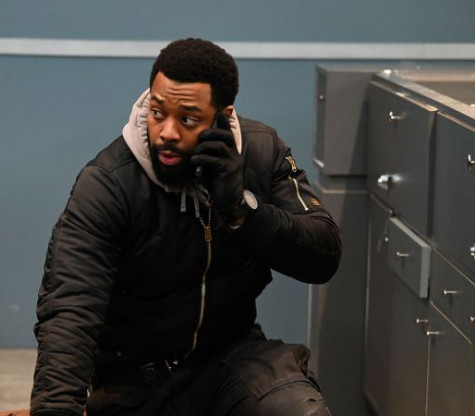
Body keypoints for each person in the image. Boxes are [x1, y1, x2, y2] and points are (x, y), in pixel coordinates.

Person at [30, 38, 341, 416]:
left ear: (223, 117)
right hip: (135, 380)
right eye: (157, 112)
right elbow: (70, 310)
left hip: (233, 360)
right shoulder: (109, 183)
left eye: (188, 119)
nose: (166, 132)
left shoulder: (262, 151)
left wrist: (242, 209)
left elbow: (323, 256)